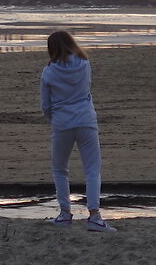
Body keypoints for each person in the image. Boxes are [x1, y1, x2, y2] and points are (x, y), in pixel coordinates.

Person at [39, 29, 108, 229]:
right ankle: (94, 215)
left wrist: (55, 118)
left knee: (60, 169)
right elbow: (87, 88)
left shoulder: (49, 71)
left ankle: (65, 213)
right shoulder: (84, 64)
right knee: (92, 169)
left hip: (62, 122)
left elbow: (45, 105)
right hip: (86, 119)